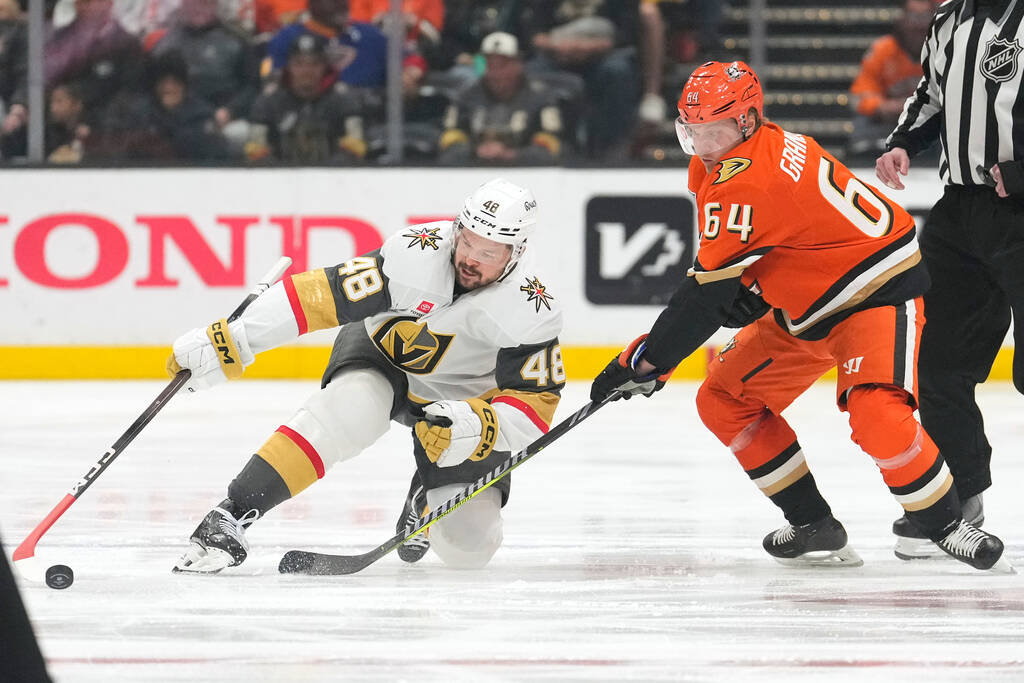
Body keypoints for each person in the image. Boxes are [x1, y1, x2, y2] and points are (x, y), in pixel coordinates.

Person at [589, 60, 1010, 572]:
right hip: (807, 302)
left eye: (713, 131)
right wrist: (739, 297)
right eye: (691, 130)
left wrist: (648, 360)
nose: (701, 144)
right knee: (723, 398)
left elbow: (705, 295)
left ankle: (945, 525)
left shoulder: (747, 179)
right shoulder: (739, 153)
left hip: (873, 293)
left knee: (876, 413)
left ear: (746, 120)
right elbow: (742, 262)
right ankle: (815, 525)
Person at [170, 178, 565, 573]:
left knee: (469, 548)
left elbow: (537, 401)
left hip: (463, 406)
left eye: (489, 251)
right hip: (381, 357)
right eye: (467, 240)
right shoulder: (415, 250)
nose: (470, 258)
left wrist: (477, 426)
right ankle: (233, 513)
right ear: (458, 227)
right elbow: (319, 296)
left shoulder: (533, 309)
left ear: (517, 253)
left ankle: (424, 498)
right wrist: (233, 340)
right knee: (348, 410)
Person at [875, 0, 1024, 560]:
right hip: (959, 214)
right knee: (936, 364)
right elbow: (932, 96)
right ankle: (958, 499)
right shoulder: (946, 19)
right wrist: (901, 142)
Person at [438, 31, 564, 166]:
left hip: (526, 174)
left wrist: (513, 155)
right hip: (474, 171)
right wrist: (475, 152)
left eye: (503, 65)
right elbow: (449, 138)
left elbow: (551, 143)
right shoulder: (465, 96)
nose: (495, 72)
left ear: (519, 64)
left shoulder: (541, 97)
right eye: (489, 64)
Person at [245, 33, 368, 163]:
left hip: (334, 179)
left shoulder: (343, 99)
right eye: (299, 64)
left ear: (325, 67)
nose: (306, 71)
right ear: (289, 67)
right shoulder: (268, 102)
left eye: (314, 64)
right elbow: (256, 150)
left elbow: (355, 147)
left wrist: (326, 172)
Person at [847, 0, 932, 159]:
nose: (918, 25)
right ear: (902, 19)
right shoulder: (882, 50)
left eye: (925, 17)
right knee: (862, 121)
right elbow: (859, 97)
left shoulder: (943, 50)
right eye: (914, 17)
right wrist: (883, 106)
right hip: (889, 122)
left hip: (928, 121)